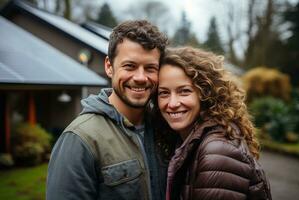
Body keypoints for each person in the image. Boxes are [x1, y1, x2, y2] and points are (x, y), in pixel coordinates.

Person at [46, 20, 168, 200]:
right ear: (109, 67)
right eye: (130, 66)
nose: (141, 78)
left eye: (150, 68)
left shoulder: (165, 128)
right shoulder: (80, 139)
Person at [156, 47, 272, 200]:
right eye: (164, 93)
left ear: (205, 94)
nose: (172, 103)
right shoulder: (186, 138)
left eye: (184, 91)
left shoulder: (217, 152)